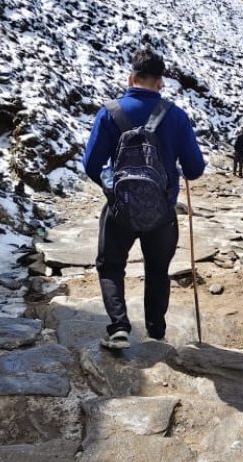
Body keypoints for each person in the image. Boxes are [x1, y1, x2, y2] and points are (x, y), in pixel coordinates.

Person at [83, 48, 205, 349]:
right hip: (162, 212)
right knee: (157, 270)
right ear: (160, 83)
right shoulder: (176, 116)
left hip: (120, 209)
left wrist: (113, 188)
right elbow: (195, 169)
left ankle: (119, 327)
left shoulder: (110, 112)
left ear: (131, 78)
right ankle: (156, 331)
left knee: (110, 265)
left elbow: (90, 165)